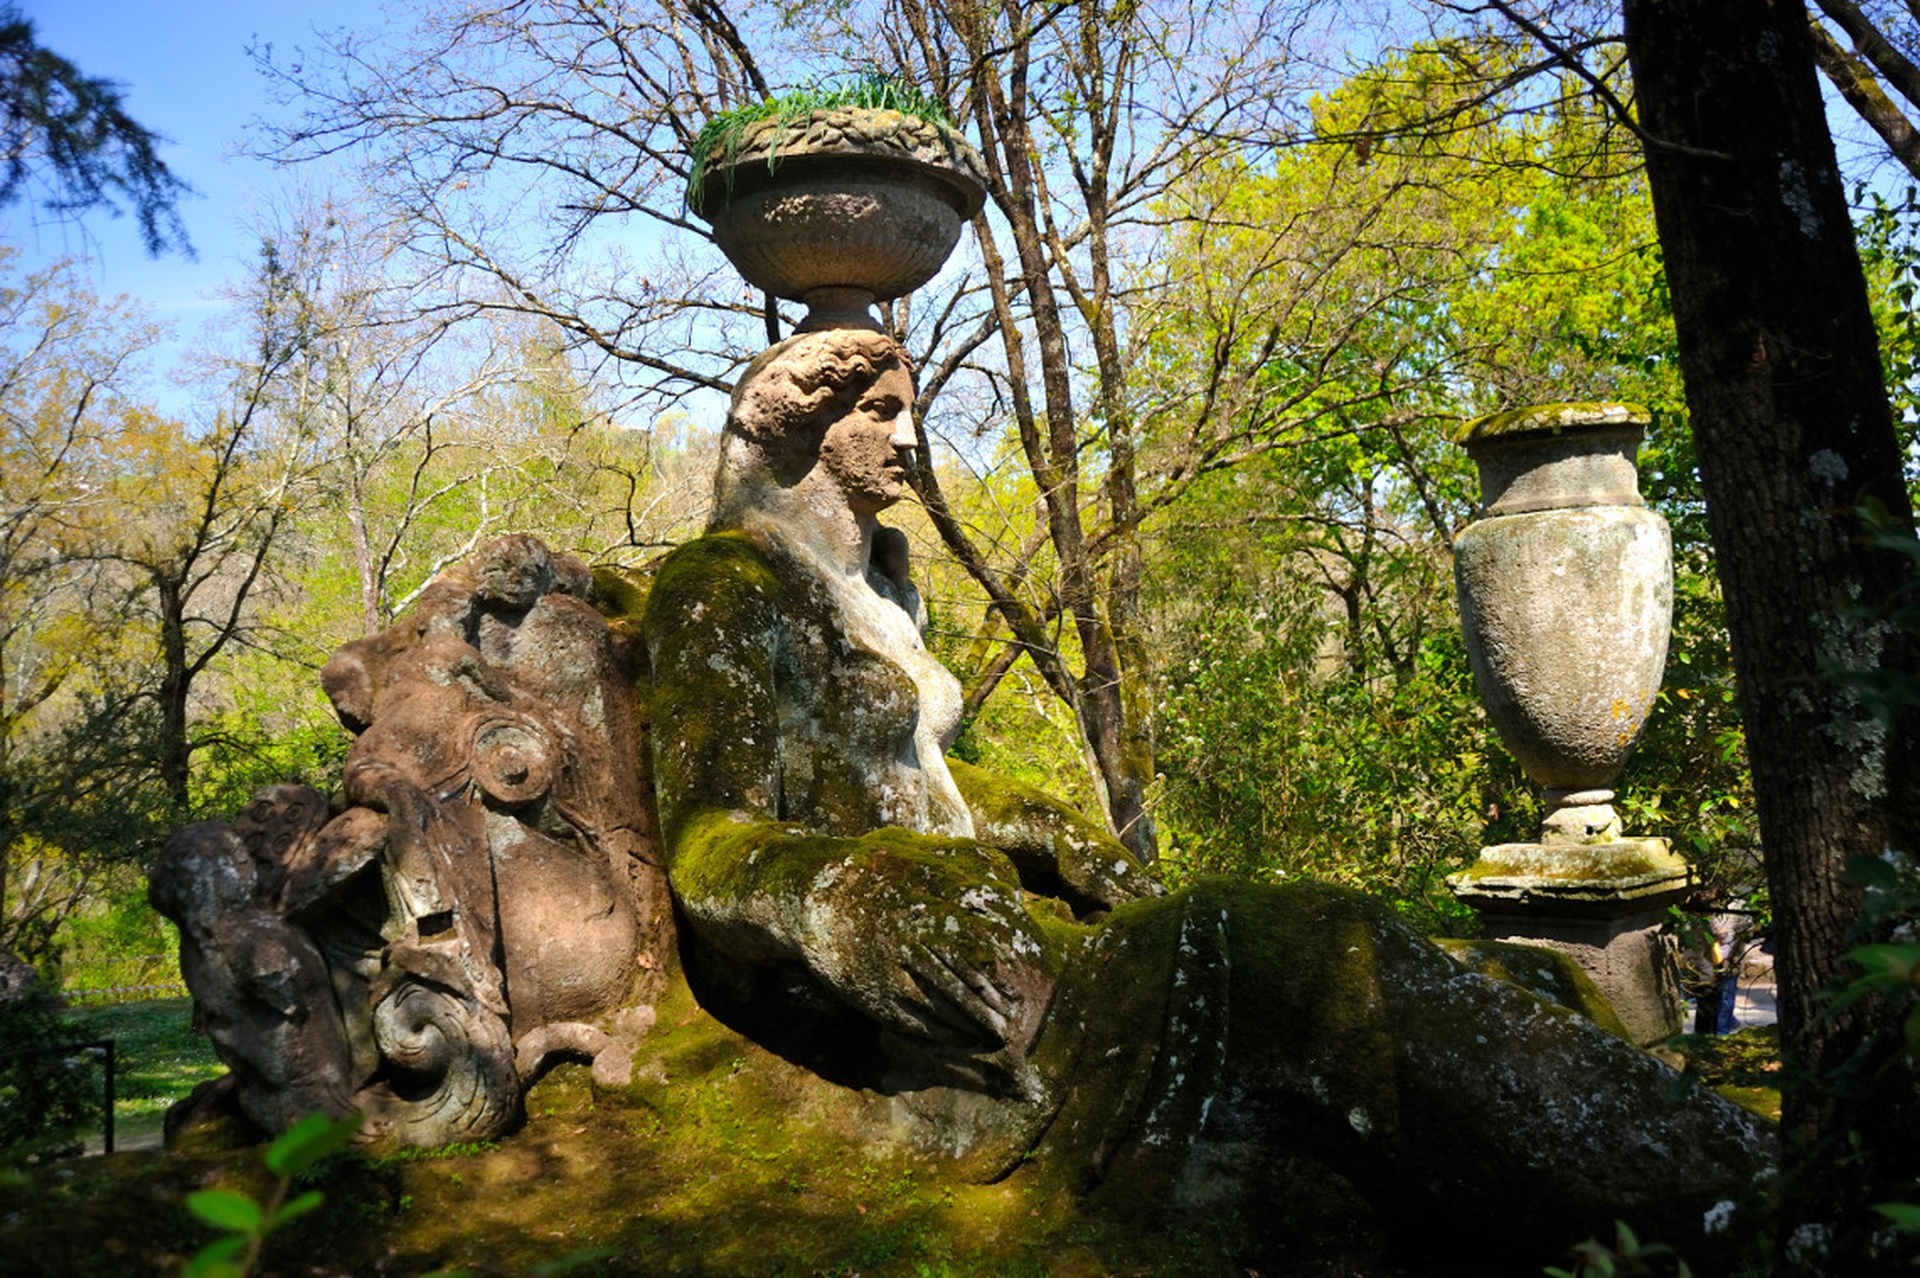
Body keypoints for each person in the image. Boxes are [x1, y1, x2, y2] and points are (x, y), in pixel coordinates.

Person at [643, 327, 1771, 1265]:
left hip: (1013, 941)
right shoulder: (723, 588)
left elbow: (916, 776)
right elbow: (710, 844)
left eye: (910, 407)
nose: (910, 435)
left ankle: (1726, 1199)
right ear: (799, 423)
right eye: (878, 411)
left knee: (1500, 974)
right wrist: (840, 889)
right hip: (940, 1017)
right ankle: (1772, 1217)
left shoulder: (885, 587)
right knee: (1284, 945)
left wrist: (1025, 814)